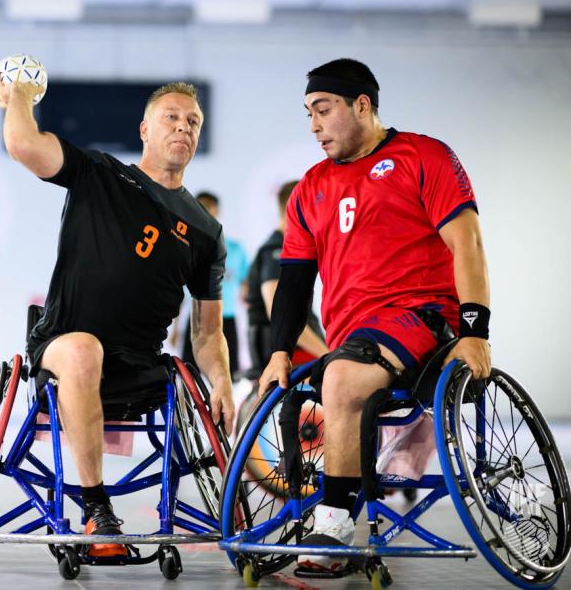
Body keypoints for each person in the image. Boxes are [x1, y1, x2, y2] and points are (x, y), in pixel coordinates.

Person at [259, 58, 491, 574]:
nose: (314, 124)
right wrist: (278, 350)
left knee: (340, 378)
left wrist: (476, 331)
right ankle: (332, 503)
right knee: (329, 376)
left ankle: (335, 524)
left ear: (361, 105)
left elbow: (468, 242)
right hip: (356, 336)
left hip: (422, 318)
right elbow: (295, 282)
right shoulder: (311, 187)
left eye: (323, 110)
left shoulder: (423, 156)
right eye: (308, 114)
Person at [0, 76, 234, 554]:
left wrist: (222, 380)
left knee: (133, 362)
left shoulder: (207, 231)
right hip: (63, 343)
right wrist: (17, 94)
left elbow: (207, 332)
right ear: (144, 129)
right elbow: (22, 142)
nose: (183, 128)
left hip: (139, 365)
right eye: (172, 118)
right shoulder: (98, 173)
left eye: (193, 122)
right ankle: (96, 511)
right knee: (85, 349)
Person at [245, 180, 328, 375]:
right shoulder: (277, 250)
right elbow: (279, 312)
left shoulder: (280, 248)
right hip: (295, 356)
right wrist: (327, 355)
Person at [173, 192, 250, 375]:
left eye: (209, 207)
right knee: (189, 375)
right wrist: (175, 328)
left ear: (217, 211)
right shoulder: (186, 248)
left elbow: (246, 288)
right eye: (200, 206)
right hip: (196, 319)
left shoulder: (236, 250)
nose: (205, 211)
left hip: (226, 319)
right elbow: (180, 294)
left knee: (228, 375)